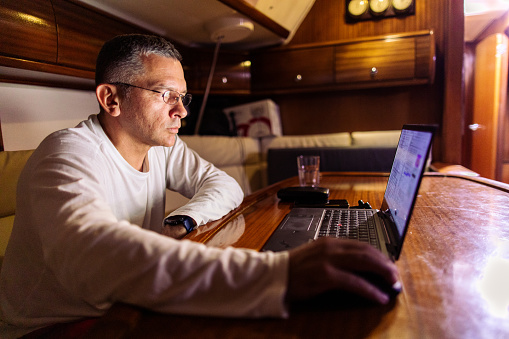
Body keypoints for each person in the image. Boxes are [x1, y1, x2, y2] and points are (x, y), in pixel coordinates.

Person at [0, 34, 399, 338]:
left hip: (122, 301)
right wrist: (278, 274)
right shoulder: (67, 154)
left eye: (183, 96)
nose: (183, 110)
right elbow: (93, 253)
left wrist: (183, 221)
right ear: (111, 99)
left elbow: (223, 184)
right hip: (56, 327)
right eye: (165, 95)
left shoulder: (160, 147)